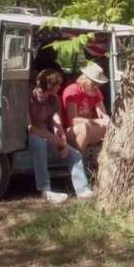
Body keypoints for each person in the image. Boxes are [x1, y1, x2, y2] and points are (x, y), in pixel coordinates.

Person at [28, 68, 93, 204]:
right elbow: (30, 128)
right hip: (34, 134)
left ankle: (82, 190)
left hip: (49, 135)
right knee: (38, 143)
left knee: (74, 154)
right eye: (57, 85)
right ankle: (46, 190)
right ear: (49, 85)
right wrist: (55, 140)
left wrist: (62, 138)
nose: (60, 87)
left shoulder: (53, 98)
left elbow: (56, 120)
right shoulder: (30, 97)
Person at [62, 62, 110, 152]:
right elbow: (73, 121)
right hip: (70, 130)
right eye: (94, 84)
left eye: (99, 84)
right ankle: (77, 162)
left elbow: (103, 114)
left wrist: (106, 120)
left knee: (109, 127)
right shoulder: (73, 91)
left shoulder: (96, 92)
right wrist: (96, 121)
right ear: (84, 80)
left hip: (89, 127)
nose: (96, 87)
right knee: (84, 128)